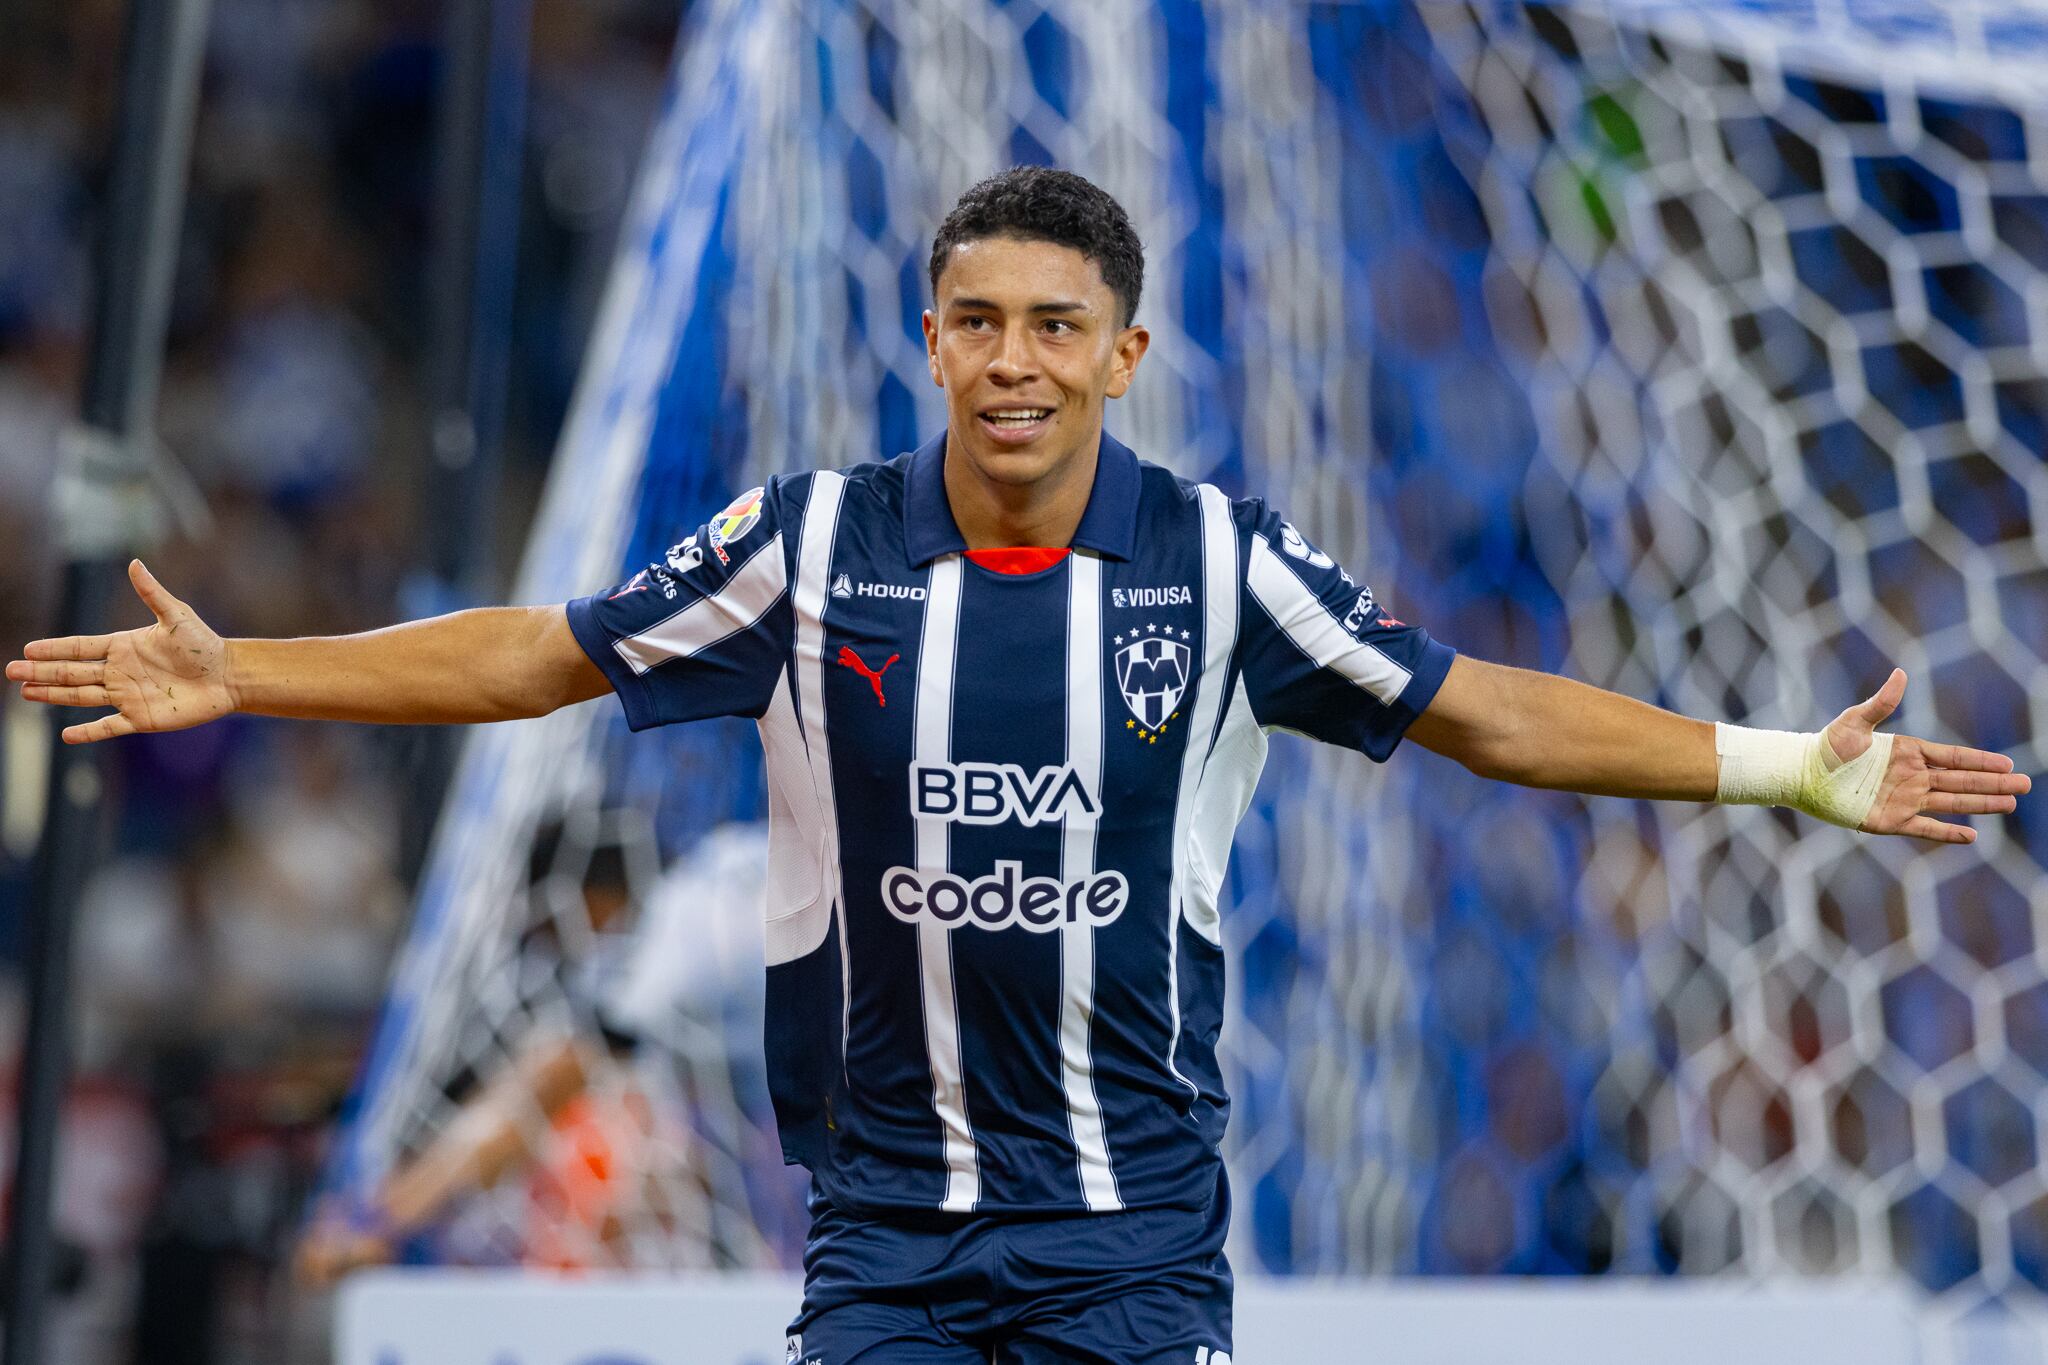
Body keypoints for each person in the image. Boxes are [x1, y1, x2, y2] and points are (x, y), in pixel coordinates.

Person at [9, 166, 2030, 1364]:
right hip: (881, 1229)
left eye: (1056, 324)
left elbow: (1479, 705)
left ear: (1122, 354)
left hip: (1129, 1232)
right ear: (927, 335)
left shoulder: (1221, 564)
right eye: (974, 318)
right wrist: (248, 669)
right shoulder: (804, 547)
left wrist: (1781, 768)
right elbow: (536, 656)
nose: (1012, 358)